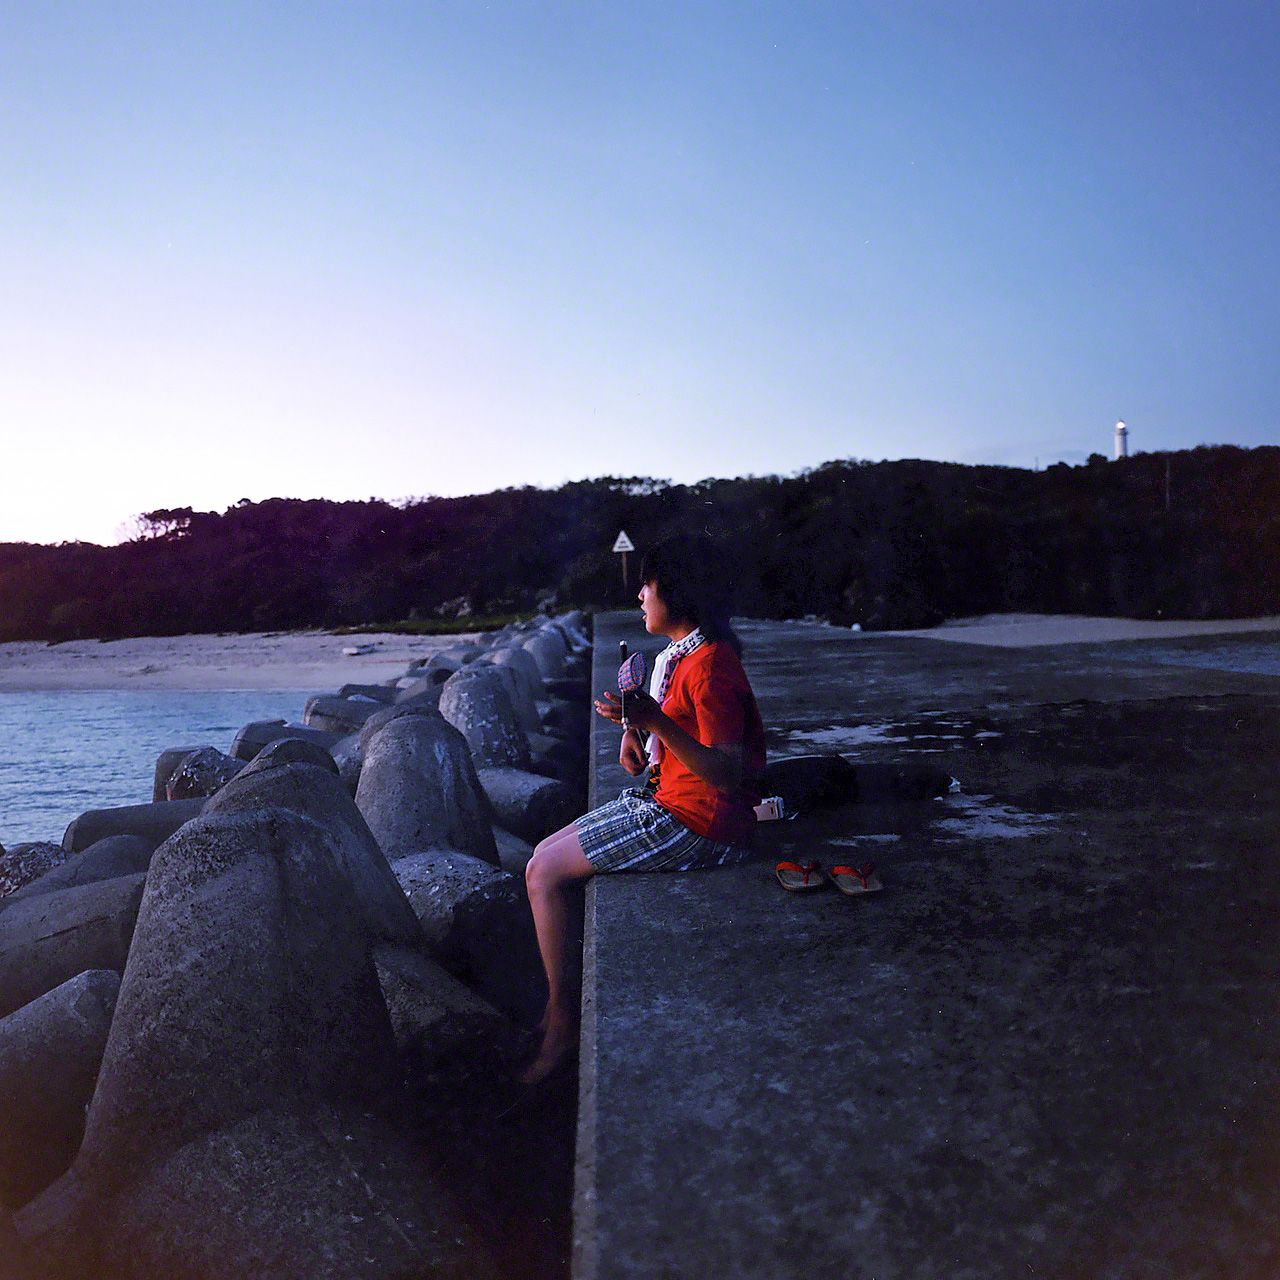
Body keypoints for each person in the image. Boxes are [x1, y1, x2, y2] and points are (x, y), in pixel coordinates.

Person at [517, 532, 766, 1084]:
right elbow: (675, 748)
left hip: (700, 823)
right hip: (671, 801)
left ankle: (562, 1021)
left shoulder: (710, 666)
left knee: (542, 874)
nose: (640, 597)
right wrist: (636, 736)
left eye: (647, 585)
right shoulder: (683, 657)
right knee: (539, 856)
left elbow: (725, 772)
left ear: (676, 590)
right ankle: (559, 1006)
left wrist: (655, 723)